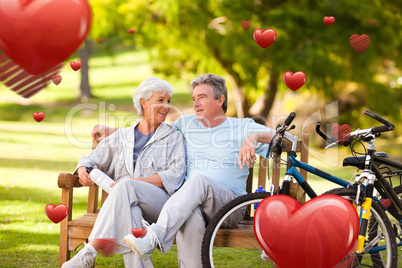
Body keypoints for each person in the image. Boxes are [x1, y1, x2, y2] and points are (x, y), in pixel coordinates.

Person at [93, 73, 275, 267]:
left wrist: (255, 138)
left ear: (220, 99)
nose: (196, 103)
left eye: (202, 97)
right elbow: (153, 128)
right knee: (189, 214)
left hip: (229, 207)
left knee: (199, 181)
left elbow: (288, 140)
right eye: (194, 98)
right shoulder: (187, 124)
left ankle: (154, 236)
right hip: (191, 203)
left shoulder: (242, 127)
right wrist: (114, 131)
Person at [62, 77, 186, 268]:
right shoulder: (121, 137)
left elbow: (175, 175)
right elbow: (89, 159)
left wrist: (135, 182)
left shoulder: (173, 136)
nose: (167, 106)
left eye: (168, 101)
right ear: (144, 102)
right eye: (160, 100)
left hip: (160, 206)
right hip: (127, 205)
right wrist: (81, 170)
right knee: (131, 213)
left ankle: (90, 250)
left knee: (127, 184)